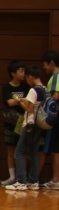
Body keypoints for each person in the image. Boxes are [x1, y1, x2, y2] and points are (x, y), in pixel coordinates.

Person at [7, 65, 48, 191]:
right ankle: (33, 181)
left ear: (31, 76)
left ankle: (21, 181)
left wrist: (20, 102)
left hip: (30, 124)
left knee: (19, 151)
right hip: (40, 125)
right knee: (34, 152)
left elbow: (30, 109)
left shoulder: (33, 90)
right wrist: (26, 100)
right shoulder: (45, 89)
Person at [1, 60, 27, 186]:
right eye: (21, 71)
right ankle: (12, 176)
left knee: (22, 149)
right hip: (11, 122)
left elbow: (27, 102)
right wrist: (21, 100)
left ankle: (22, 177)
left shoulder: (26, 87)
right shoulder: (7, 87)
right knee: (10, 149)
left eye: (24, 70)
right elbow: (9, 102)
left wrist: (17, 99)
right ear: (13, 73)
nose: (23, 73)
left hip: (23, 122)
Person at [43, 51, 59, 189]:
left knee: (55, 150)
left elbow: (55, 96)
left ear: (52, 63)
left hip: (56, 118)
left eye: (45, 65)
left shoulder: (56, 77)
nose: (44, 68)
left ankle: (55, 180)